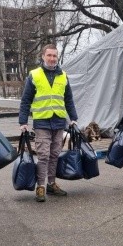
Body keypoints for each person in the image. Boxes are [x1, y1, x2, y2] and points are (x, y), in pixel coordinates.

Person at [19, 44, 78, 202]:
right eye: (49, 55)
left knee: (54, 154)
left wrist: (73, 118)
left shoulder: (63, 76)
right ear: (43, 56)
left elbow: (68, 99)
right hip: (42, 121)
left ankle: (51, 184)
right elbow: (26, 100)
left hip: (59, 121)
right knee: (43, 155)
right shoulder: (34, 75)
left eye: (54, 56)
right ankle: (41, 187)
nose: (52, 59)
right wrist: (23, 121)